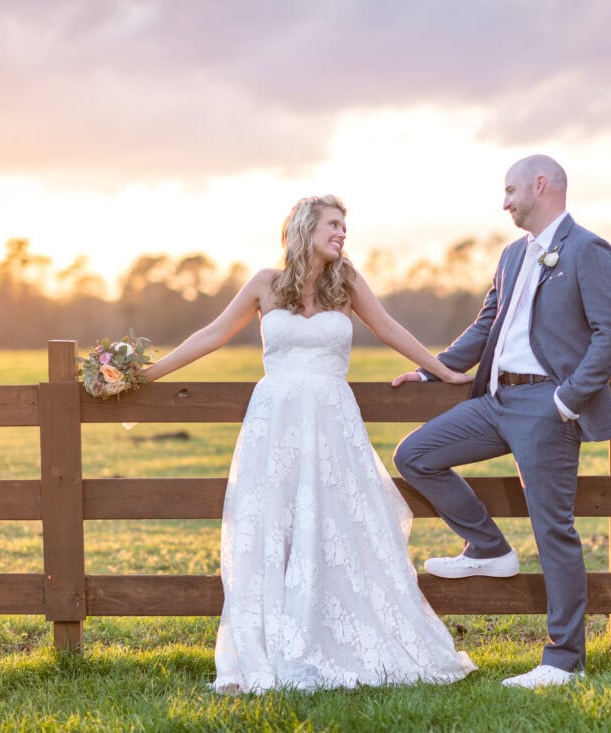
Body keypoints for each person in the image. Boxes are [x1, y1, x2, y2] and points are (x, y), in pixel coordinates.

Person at [141, 194, 476, 694]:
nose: (343, 233)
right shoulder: (264, 285)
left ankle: (336, 630)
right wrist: (146, 374)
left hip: (332, 422)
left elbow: (388, 329)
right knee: (275, 522)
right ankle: (278, 634)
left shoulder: (348, 283)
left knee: (336, 520)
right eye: (334, 224)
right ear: (305, 228)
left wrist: (443, 370)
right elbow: (212, 334)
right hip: (274, 422)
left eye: (345, 226)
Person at [391, 155, 611, 689]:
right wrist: (434, 371)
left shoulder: (588, 251)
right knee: (415, 456)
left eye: (509, 190)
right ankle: (489, 548)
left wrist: (567, 401)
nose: (504, 202)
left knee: (553, 532)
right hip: (495, 402)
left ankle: (563, 661)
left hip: (547, 407)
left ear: (540, 185)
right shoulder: (509, 255)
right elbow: (486, 327)